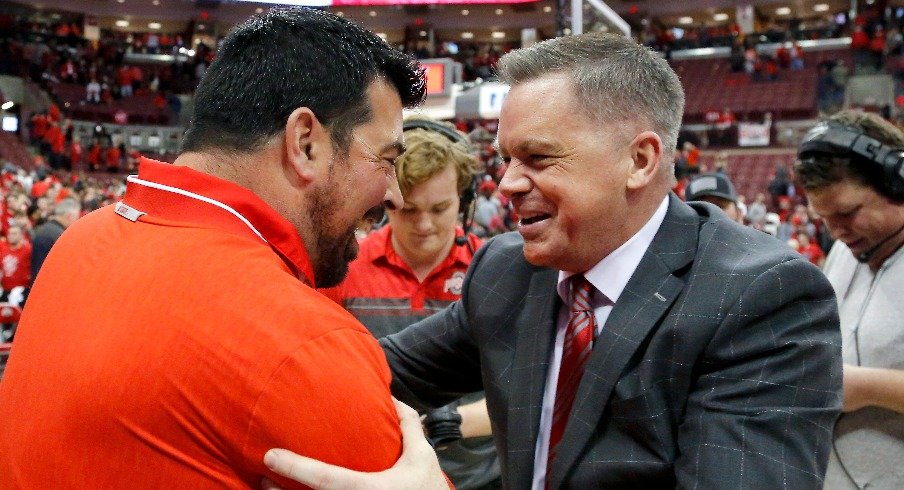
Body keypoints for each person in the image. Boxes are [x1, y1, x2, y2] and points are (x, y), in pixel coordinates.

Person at [269, 32, 843, 489]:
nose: (508, 184)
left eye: (538, 158)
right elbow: (371, 371)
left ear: (639, 160)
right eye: (506, 158)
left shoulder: (761, 298)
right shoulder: (506, 270)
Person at [0, 8, 429, 488]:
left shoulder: (81, 239)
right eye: (386, 159)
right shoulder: (300, 339)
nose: (395, 193)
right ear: (305, 143)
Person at [323, 118, 500, 489]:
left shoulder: (497, 274)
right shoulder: (343, 269)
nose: (424, 225)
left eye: (439, 209)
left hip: (477, 478)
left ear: (464, 201)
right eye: (410, 210)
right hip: (375, 473)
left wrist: (449, 422)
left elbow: (526, 388)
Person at [794, 110, 904, 489]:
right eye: (824, 218)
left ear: (897, 182)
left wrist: (865, 388)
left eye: (848, 212)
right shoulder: (846, 250)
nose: (836, 231)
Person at [29, 197, 80, 282]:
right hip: (48, 283)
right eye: (76, 218)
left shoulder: (43, 229)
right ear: (69, 216)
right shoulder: (60, 235)